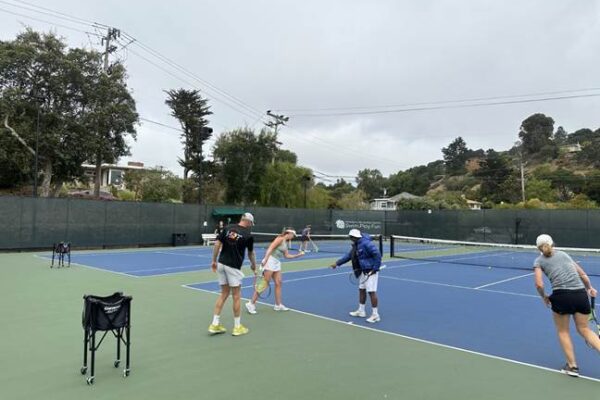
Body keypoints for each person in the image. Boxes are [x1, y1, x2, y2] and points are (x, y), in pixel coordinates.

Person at [533, 234, 600, 377]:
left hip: (561, 297)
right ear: (552, 243)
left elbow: (539, 284)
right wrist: (589, 288)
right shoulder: (564, 254)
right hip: (581, 295)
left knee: (563, 331)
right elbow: (582, 274)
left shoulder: (538, 261)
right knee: (585, 329)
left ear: (538, 247)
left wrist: (544, 296)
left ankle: (572, 367)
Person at [208, 212, 257, 336]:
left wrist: (214, 260)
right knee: (236, 296)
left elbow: (217, 244)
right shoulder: (248, 235)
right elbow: (251, 253)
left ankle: (215, 324)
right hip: (233, 267)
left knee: (224, 293)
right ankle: (237, 327)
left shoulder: (227, 228)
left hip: (221, 264)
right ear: (249, 222)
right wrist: (253, 265)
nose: (251, 225)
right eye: (251, 223)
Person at [246, 228, 304, 314]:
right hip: (270, 260)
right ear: (289, 233)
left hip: (277, 262)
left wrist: (298, 255)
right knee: (264, 283)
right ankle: (251, 303)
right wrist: (265, 259)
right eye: (293, 235)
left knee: (279, 282)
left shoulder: (285, 242)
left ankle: (278, 305)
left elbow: (287, 256)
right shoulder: (279, 239)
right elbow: (270, 248)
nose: (293, 237)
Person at [331, 229, 382, 323]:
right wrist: (337, 263)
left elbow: (377, 255)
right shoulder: (356, 245)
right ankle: (361, 311)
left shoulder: (367, 244)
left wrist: (375, 269)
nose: (350, 239)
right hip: (363, 270)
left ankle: (375, 315)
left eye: (350, 237)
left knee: (371, 292)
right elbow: (349, 256)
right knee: (362, 289)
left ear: (354, 237)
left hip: (371, 270)